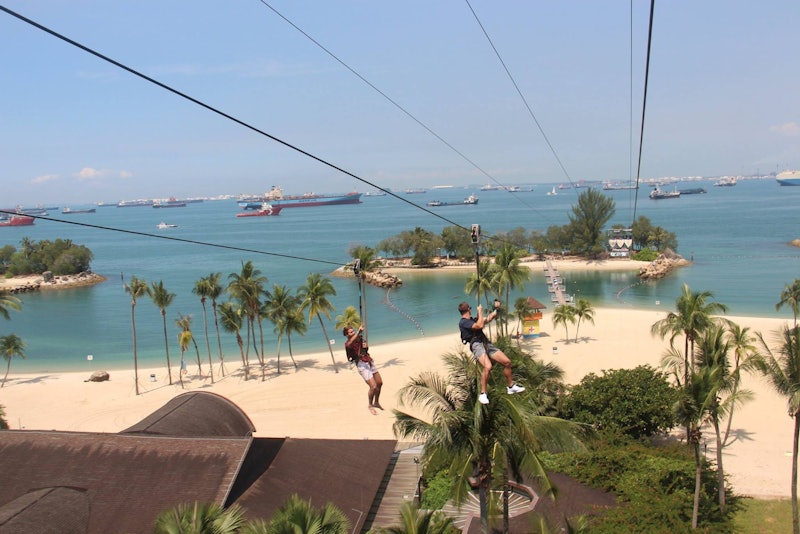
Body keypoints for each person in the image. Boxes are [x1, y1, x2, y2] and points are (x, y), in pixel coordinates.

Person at [458, 301, 525, 405]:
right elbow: (479, 325)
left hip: (486, 343)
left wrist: (496, 309)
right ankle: (483, 394)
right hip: (477, 345)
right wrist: (480, 312)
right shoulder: (463, 322)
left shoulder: (472, 320)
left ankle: (511, 386)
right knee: (488, 366)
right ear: (468, 310)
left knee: (507, 362)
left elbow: (488, 319)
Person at [343, 324, 383, 415]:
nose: (353, 333)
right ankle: (370, 405)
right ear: (346, 335)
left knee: (379, 383)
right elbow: (351, 343)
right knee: (373, 386)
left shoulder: (359, 338)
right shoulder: (347, 344)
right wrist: (359, 331)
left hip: (368, 360)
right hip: (361, 364)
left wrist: (366, 346)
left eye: (353, 331)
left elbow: (365, 349)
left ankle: (376, 402)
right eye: (350, 332)